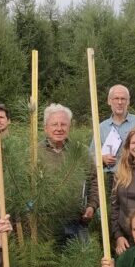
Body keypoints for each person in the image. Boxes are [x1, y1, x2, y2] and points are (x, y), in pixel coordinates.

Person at [41, 104, 97, 244]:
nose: (59, 128)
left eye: (63, 124)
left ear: (69, 127)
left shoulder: (81, 151)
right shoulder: (34, 153)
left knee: (81, 261)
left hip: (77, 221)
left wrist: (92, 205)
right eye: (54, 124)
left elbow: (95, 180)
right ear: (45, 127)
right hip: (46, 223)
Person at [97, 84, 135, 175]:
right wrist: (102, 158)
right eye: (116, 98)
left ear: (128, 101)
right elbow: (92, 155)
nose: (120, 102)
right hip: (110, 177)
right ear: (109, 101)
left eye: (123, 99)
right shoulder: (101, 127)